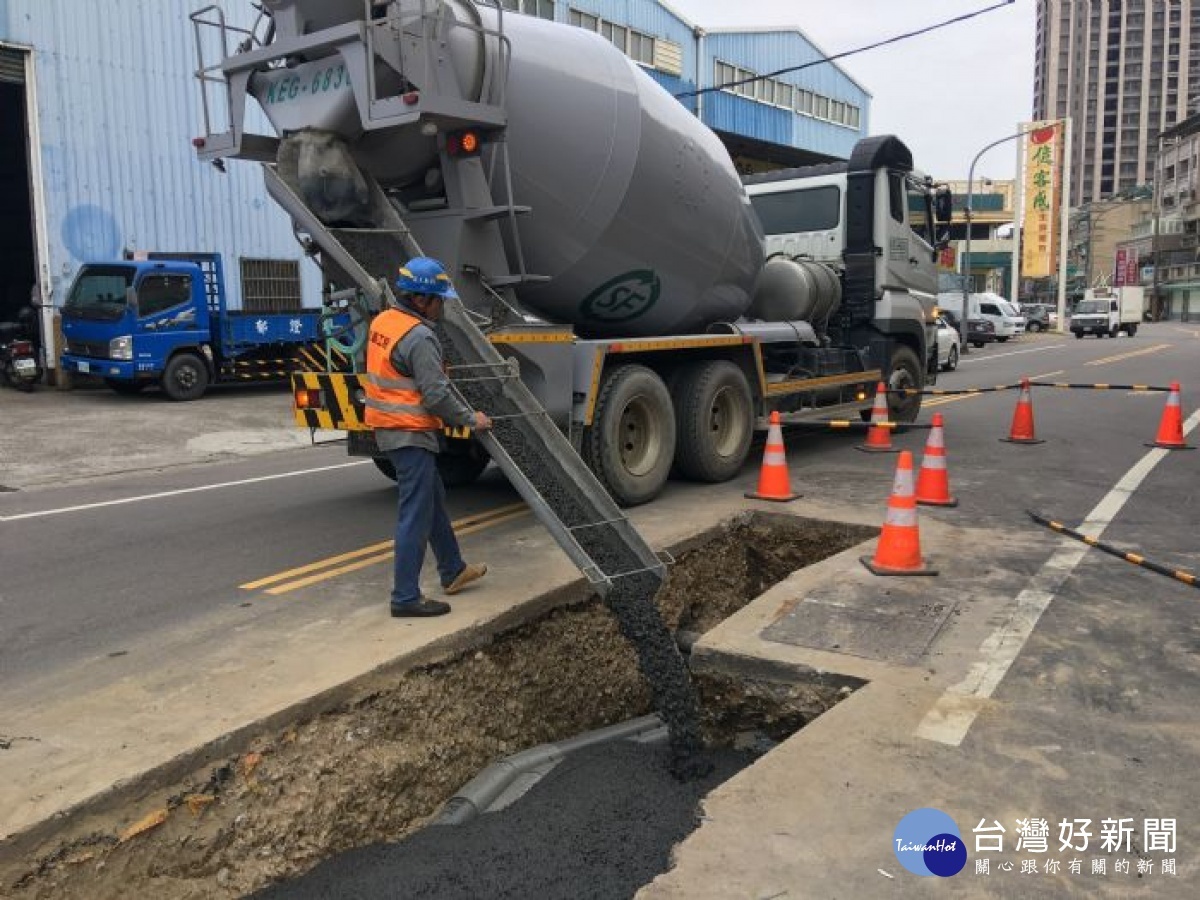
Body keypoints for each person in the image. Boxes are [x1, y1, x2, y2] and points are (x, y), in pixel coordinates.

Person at [364, 256, 493, 617]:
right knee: (416, 514)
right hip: (409, 433)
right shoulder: (419, 336)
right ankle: (405, 597)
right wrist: (472, 420)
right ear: (422, 300)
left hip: (388, 426)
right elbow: (435, 395)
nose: (442, 307)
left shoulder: (385, 321)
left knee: (432, 499)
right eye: (439, 300)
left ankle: (452, 570)